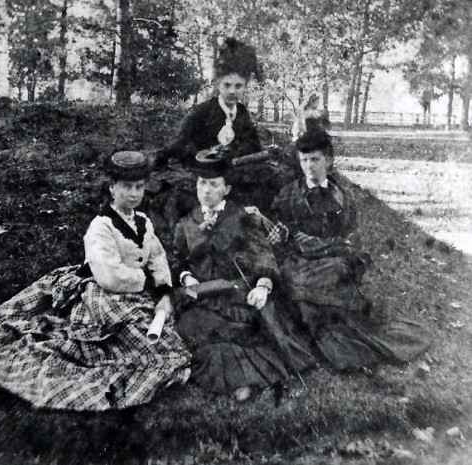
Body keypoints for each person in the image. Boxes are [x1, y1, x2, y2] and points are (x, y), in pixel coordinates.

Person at [0, 151, 191, 411]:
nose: (134, 194)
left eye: (139, 187)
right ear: (111, 188)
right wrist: (145, 281)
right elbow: (109, 275)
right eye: (127, 187)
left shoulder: (143, 222)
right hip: (102, 290)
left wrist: (163, 288)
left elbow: (157, 256)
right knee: (130, 335)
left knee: (161, 332)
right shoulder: (102, 226)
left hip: (132, 290)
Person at [264, 127, 431, 370]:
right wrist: (282, 236)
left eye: (315, 159)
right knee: (295, 281)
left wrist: (321, 246)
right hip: (297, 263)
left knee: (335, 274)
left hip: (332, 263)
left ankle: (337, 335)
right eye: (304, 160)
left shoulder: (342, 197)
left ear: (329, 160)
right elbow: (277, 241)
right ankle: (323, 334)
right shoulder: (288, 195)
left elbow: (352, 243)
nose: (309, 166)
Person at [172, 151, 312, 401]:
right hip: (202, 295)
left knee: (245, 329)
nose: (206, 190)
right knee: (193, 329)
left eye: (214, 184)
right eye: (201, 183)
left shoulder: (243, 217)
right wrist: (184, 276)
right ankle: (241, 379)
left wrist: (262, 286)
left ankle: (246, 379)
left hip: (238, 293)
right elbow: (176, 258)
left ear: (226, 189)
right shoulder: (186, 223)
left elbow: (263, 254)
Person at [147, 38, 263, 230]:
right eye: (227, 85)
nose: (232, 91)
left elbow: (253, 146)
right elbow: (182, 143)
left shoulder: (242, 113)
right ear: (218, 84)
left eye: (238, 86)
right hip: (203, 171)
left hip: (231, 173)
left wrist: (235, 152)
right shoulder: (202, 111)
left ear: (245, 85)